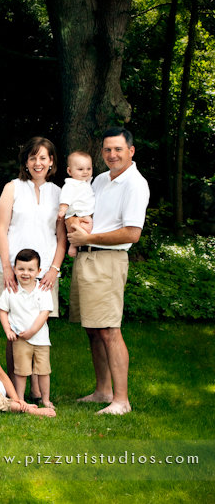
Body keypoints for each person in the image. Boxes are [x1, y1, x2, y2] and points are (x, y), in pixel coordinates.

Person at [68, 127, 149, 415]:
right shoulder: (101, 179)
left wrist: (88, 237)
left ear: (131, 151)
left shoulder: (135, 184)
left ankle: (121, 400)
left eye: (118, 149)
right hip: (87, 258)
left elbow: (132, 233)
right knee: (93, 328)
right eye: (107, 150)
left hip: (108, 261)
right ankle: (103, 391)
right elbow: (84, 212)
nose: (112, 154)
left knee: (109, 330)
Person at [0, 136, 65, 400]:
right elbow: (1, 228)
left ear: (51, 162)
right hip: (15, 269)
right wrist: (7, 267)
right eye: (32, 157)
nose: (38, 163)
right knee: (14, 328)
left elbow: (62, 237)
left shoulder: (58, 193)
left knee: (38, 327)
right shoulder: (12, 188)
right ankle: (15, 387)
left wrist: (54, 269)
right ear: (25, 161)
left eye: (43, 157)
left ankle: (37, 389)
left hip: (44, 272)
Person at [0, 249, 54, 409]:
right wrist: (8, 330)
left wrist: (32, 332)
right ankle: (20, 399)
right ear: (14, 269)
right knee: (21, 371)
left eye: (30, 269)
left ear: (38, 271)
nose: (25, 273)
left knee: (43, 371)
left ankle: (45, 399)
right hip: (20, 338)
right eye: (21, 269)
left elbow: (44, 313)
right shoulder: (11, 290)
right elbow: (3, 311)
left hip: (41, 340)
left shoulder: (43, 290)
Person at [58, 150, 95, 257]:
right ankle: (73, 245)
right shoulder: (71, 184)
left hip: (83, 215)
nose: (85, 172)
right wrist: (62, 209)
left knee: (83, 231)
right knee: (84, 229)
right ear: (69, 171)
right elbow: (65, 197)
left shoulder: (87, 182)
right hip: (77, 215)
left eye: (89, 168)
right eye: (80, 169)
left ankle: (74, 245)